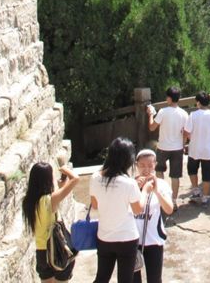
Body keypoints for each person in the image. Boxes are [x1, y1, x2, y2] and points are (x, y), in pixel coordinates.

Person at [89, 137, 155, 283]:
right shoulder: (129, 183)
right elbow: (138, 209)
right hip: (127, 238)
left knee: (101, 277)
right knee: (125, 279)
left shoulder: (95, 177)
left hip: (105, 236)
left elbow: (94, 205)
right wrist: (145, 190)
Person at [22, 161, 80, 283]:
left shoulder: (28, 201)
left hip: (42, 252)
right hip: (57, 250)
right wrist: (65, 169)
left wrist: (62, 187)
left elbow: (49, 212)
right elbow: (75, 179)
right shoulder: (50, 200)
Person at [133, 148, 174, 283]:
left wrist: (156, 191)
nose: (146, 169)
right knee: (133, 279)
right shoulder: (131, 184)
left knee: (155, 279)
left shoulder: (162, 185)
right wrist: (136, 187)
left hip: (153, 240)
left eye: (150, 166)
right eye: (142, 166)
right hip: (132, 240)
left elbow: (169, 209)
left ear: (155, 165)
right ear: (136, 165)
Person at [146, 86, 189, 200]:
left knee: (159, 171)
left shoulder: (162, 112)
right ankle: (173, 201)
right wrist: (183, 145)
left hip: (163, 147)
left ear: (169, 98)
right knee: (175, 176)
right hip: (177, 148)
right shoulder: (184, 114)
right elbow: (185, 133)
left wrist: (150, 114)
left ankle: (163, 197)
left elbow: (151, 127)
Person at [184, 91, 210, 205]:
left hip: (195, 149)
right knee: (207, 175)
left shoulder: (193, 115)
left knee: (192, 170)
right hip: (208, 150)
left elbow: (187, 131)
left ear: (198, 102)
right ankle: (205, 198)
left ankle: (196, 190)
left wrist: (187, 139)